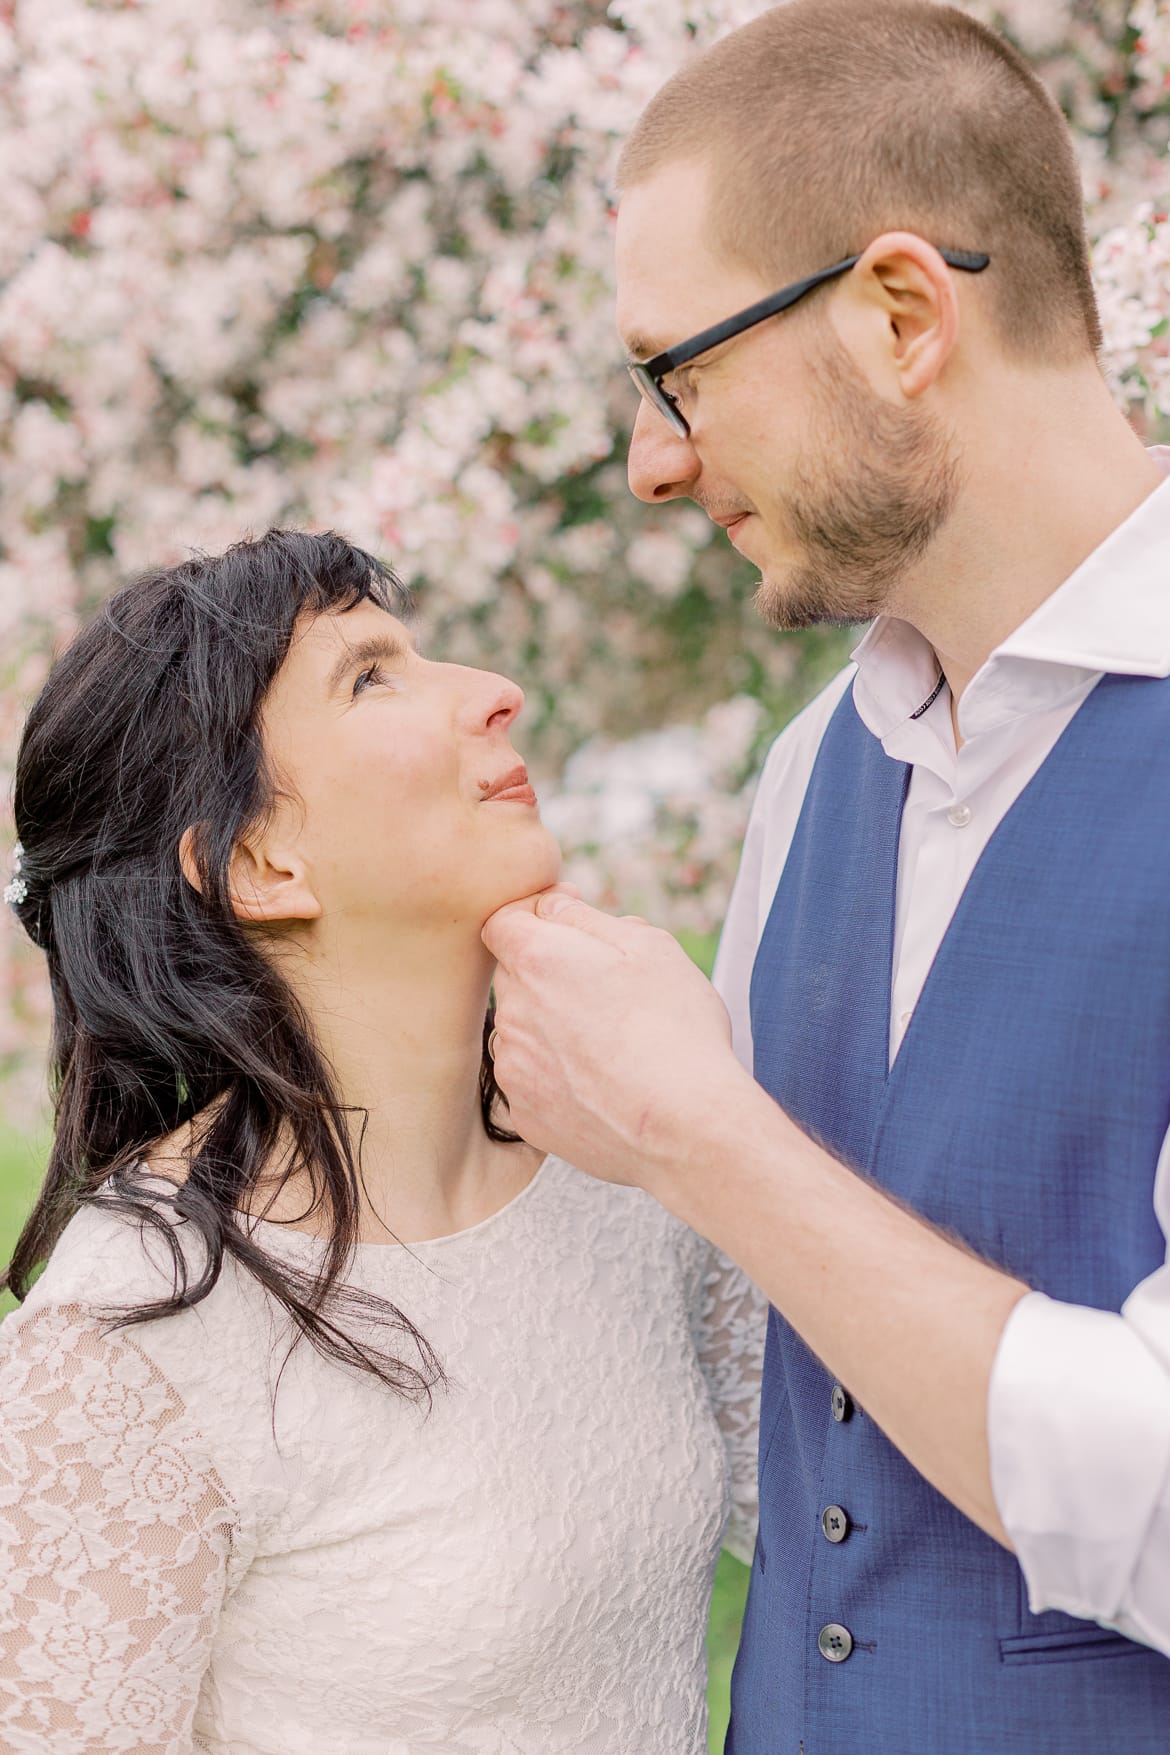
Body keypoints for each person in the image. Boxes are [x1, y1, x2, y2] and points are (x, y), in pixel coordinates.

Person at [481, 2, 1170, 1751]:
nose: (655, 463)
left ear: (899, 313)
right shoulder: (812, 775)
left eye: (682, 373)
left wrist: (700, 1133)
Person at [0, 529, 764, 1755]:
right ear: (260, 862)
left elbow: (855, 1512)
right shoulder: (128, 1348)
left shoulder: (625, 1174)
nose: (497, 693)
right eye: (371, 675)